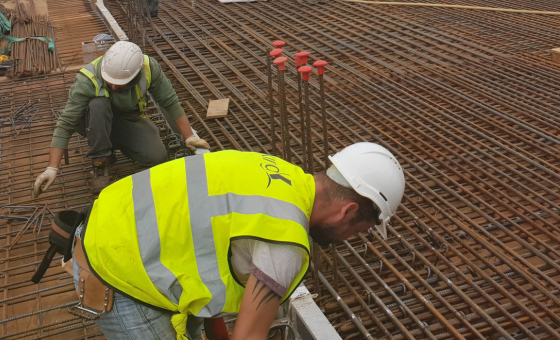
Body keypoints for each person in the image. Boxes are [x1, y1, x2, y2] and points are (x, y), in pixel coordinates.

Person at [72, 143, 404, 340]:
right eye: (357, 232)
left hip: (110, 223)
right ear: (347, 212)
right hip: (114, 270)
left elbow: (201, 250)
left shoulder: (278, 173)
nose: (348, 240)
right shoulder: (284, 244)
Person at [32, 41, 209, 195]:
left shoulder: (149, 68)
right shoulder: (87, 79)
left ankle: (118, 143)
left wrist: (189, 137)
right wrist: (51, 168)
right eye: (110, 82)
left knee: (156, 157)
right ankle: (101, 161)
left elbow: (169, 102)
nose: (114, 87)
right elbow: (65, 124)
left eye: (120, 84)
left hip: (127, 119)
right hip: (94, 121)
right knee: (98, 105)